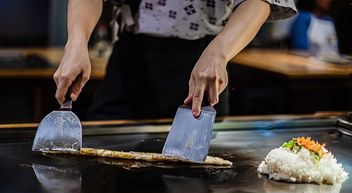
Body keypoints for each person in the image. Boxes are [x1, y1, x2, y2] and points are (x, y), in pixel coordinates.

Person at [54, 0, 296, 120]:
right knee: (102, 173)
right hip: (131, 58)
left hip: (203, 58)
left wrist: (219, 52)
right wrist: (76, 41)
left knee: (193, 189)